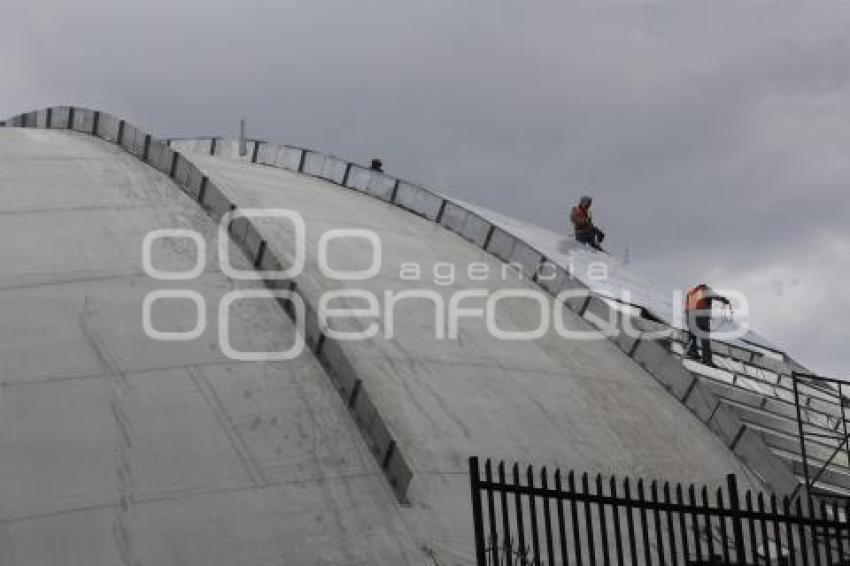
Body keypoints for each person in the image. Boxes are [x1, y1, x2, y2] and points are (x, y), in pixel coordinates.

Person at [684, 283, 731, 367]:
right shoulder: (705, 290)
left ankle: (692, 353)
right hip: (701, 317)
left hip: (689, 316)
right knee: (705, 338)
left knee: (692, 336)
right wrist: (724, 300)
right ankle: (707, 359)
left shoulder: (691, 292)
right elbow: (715, 296)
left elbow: (686, 305)